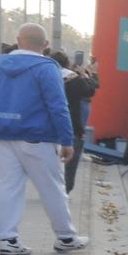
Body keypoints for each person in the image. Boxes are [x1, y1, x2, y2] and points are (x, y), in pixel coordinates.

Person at [0, 25, 87, 255]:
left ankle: (8, 240)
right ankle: (66, 237)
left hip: (5, 136)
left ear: (18, 40)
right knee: (52, 188)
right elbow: (58, 106)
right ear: (46, 44)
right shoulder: (46, 67)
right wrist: (67, 140)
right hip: (37, 138)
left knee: (7, 188)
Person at [52, 52, 97, 192]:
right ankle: (66, 189)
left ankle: (51, 187)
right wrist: (87, 75)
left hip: (47, 125)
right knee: (70, 160)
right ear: (66, 63)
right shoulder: (73, 78)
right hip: (71, 122)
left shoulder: (44, 76)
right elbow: (90, 91)